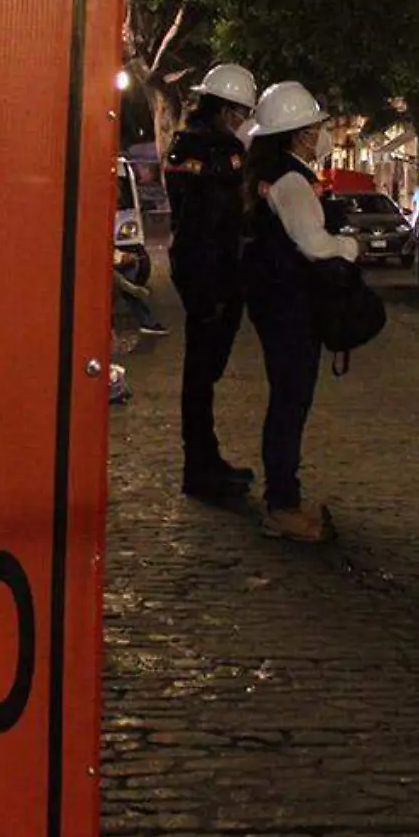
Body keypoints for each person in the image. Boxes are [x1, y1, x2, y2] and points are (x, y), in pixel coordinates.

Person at [240, 81, 357, 543]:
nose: (319, 134)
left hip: (274, 301)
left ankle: (283, 498)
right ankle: (282, 504)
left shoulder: (268, 171)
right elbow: (313, 243)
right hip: (290, 305)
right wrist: (349, 247)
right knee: (290, 404)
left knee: (288, 402)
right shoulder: (290, 180)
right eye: (312, 127)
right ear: (296, 133)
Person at [164, 63, 258, 502]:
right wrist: (215, 291)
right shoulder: (216, 151)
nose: (242, 119)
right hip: (210, 274)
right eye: (239, 110)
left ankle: (204, 460)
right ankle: (200, 468)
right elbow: (215, 225)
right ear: (224, 107)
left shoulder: (187, 146)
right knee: (201, 376)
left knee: (201, 376)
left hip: (200, 271)